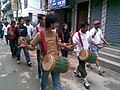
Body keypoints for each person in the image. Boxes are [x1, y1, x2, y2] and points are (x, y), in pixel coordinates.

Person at [19, 14, 73, 90]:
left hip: (55, 60)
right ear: (51, 24)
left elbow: (57, 42)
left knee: (57, 82)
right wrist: (26, 46)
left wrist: (66, 46)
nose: (57, 25)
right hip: (45, 62)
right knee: (44, 81)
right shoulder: (39, 34)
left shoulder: (55, 33)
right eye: (56, 23)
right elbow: (32, 47)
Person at [72, 21, 93, 89]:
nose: (87, 28)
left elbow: (90, 41)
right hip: (80, 53)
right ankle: (85, 80)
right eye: (86, 27)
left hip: (86, 52)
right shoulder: (76, 35)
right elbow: (73, 44)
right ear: (82, 27)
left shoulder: (88, 33)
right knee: (82, 66)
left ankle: (76, 70)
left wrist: (97, 45)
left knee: (82, 64)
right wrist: (71, 39)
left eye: (88, 27)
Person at [32, 14, 46, 80]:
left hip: (46, 49)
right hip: (39, 49)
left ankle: (45, 75)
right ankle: (40, 76)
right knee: (40, 63)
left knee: (46, 62)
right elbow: (34, 38)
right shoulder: (36, 28)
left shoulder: (47, 27)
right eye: (44, 19)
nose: (45, 21)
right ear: (40, 20)